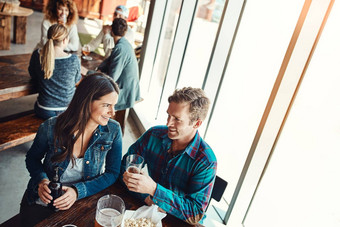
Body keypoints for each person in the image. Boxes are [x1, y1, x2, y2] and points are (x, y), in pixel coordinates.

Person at [20, 73, 122, 227]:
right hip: (42, 202)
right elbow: (32, 159)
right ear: (87, 102)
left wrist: (77, 191)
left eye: (114, 105)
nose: (112, 112)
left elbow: (113, 173)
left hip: (82, 202)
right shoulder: (50, 127)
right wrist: (42, 181)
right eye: (107, 105)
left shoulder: (113, 130)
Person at [121, 87, 217, 224]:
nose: (168, 123)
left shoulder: (206, 161)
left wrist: (154, 190)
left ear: (197, 123)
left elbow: (195, 214)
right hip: (149, 211)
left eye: (177, 119)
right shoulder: (153, 135)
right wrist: (147, 196)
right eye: (168, 115)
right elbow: (123, 168)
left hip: (180, 222)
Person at [96, 18, 141, 134]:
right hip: (129, 87)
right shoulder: (124, 43)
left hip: (126, 92)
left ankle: (102, 131)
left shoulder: (120, 48)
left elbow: (112, 77)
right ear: (125, 32)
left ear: (111, 30)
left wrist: (94, 74)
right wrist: (100, 68)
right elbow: (109, 61)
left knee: (94, 94)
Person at [29, 23, 81, 120]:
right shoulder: (74, 59)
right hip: (68, 110)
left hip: (44, 110)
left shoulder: (38, 55)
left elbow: (33, 74)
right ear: (65, 40)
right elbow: (76, 80)